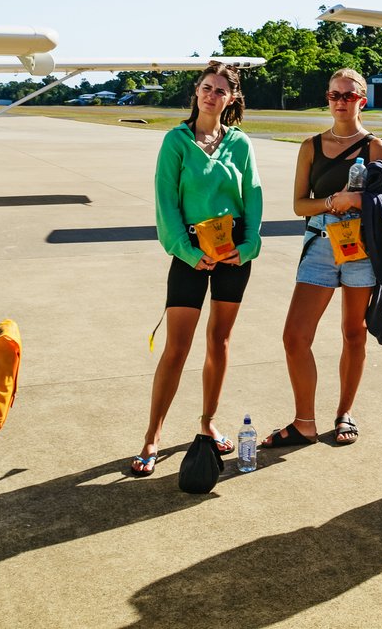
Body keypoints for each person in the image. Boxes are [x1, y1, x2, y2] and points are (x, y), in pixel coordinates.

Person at [130, 62, 263, 476]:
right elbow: (165, 202)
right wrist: (186, 252)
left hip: (232, 254)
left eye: (220, 90)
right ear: (196, 92)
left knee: (219, 341)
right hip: (191, 251)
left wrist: (249, 245)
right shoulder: (176, 140)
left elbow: (253, 197)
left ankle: (207, 423)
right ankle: (152, 436)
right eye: (206, 88)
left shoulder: (239, 143)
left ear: (232, 99)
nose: (211, 95)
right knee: (177, 347)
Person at [263, 68, 382, 447]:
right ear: (328, 99)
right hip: (320, 242)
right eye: (334, 95)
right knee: (295, 336)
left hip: (361, 249)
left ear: (362, 101)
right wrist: (329, 203)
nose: (341, 102)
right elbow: (297, 204)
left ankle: (344, 414)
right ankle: (304, 421)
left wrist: (357, 199)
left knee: (354, 333)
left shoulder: (375, 147)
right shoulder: (311, 146)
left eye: (348, 96)